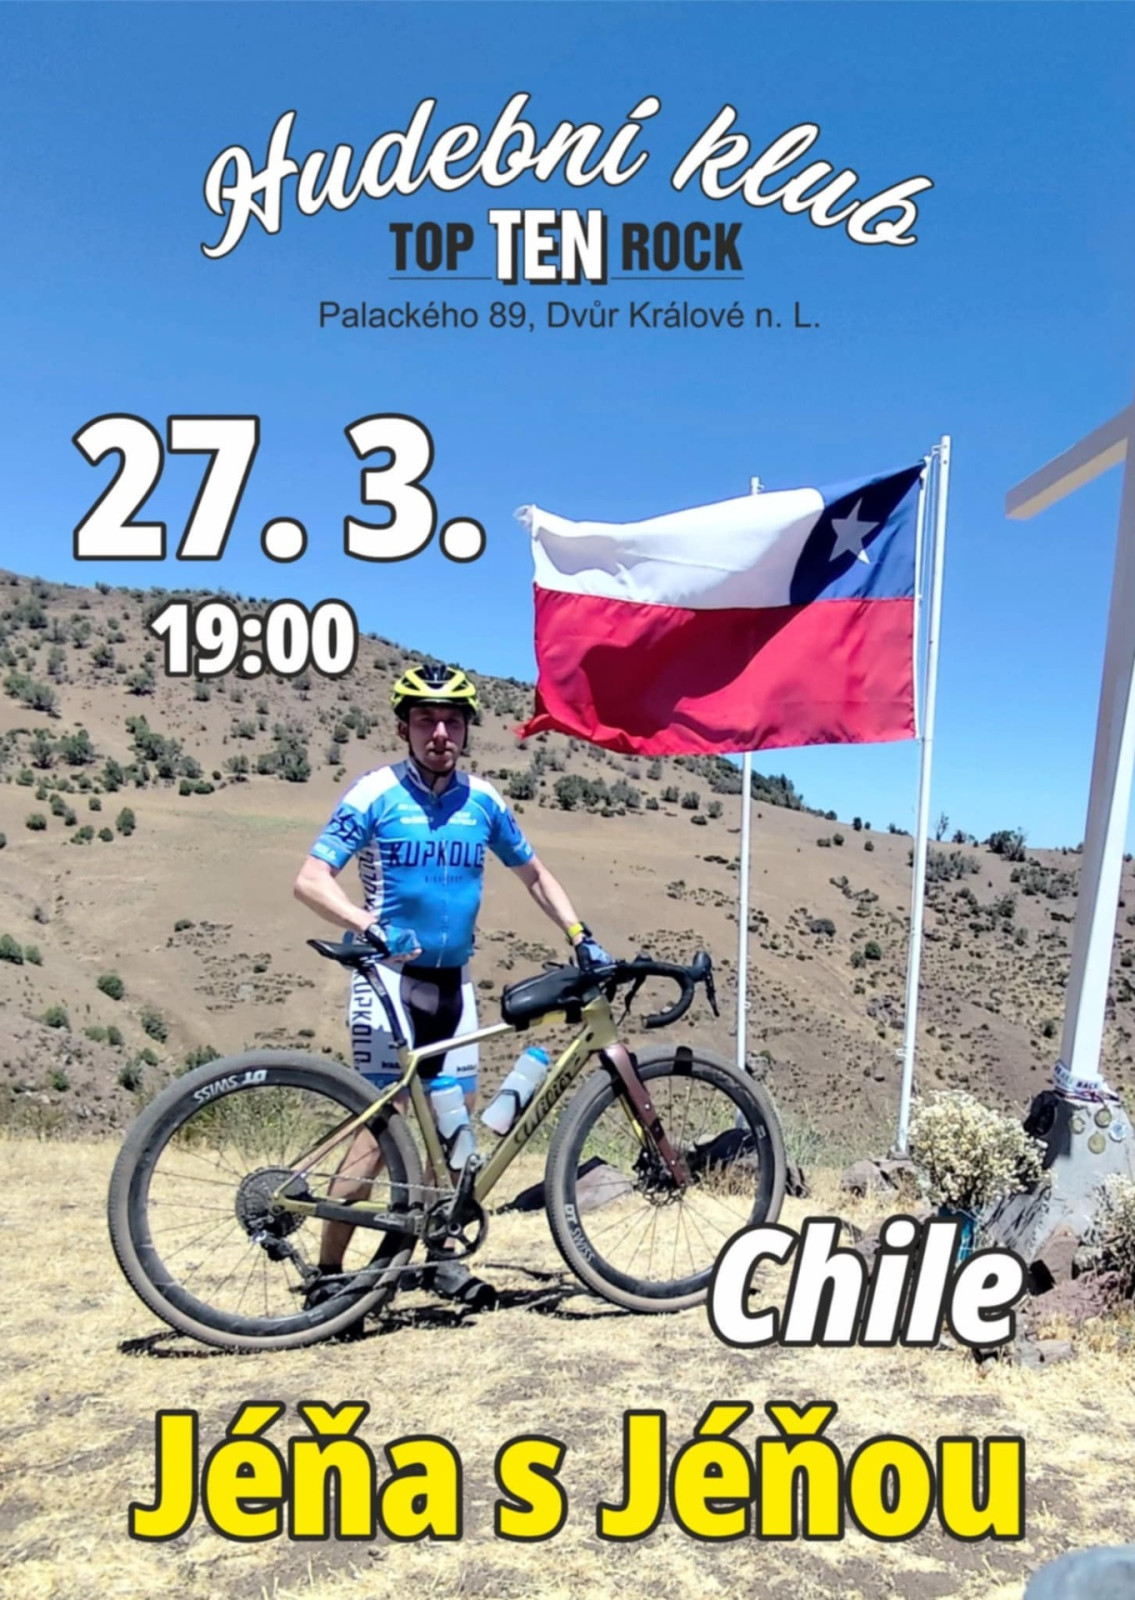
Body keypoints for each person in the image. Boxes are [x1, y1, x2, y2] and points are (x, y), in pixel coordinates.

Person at [293, 662, 611, 1312]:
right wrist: (365, 924)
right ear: (404, 728)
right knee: (376, 1138)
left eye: (451, 721)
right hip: (389, 982)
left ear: (465, 730)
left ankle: (441, 1259)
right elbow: (310, 880)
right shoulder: (375, 793)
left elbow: (535, 875)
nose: (439, 732)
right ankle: (328, 1277)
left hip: (453, 985)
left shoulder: (483, 802)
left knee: (454, 1138)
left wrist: (578, 932)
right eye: (424, 720)